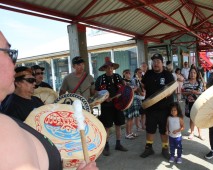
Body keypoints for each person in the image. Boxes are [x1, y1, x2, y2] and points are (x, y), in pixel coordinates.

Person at [0, 31, 98, 170]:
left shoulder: (36, 100)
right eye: (9, 53)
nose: (14, 64)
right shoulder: (7, 120)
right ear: (18, 83)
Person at [140, 53, 174, 158]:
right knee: (150, 129)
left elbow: (172, 88)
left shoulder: (167, 74)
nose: (155, 64)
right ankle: (149, 148)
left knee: (164, 130)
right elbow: (143, 86)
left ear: (162, 63)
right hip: (151, 108)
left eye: (158, 62)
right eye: (153, 62)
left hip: (165, 108)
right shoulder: (148, 73)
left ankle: (165, 149)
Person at [95, 57, 128, 156]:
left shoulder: (118, 76)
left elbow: (123, 88)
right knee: (106, 127)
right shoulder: (100, 79)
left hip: (118, 105)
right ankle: (106, 146)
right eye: (107, 67)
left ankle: (118, 144)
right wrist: (104, 98)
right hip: (105, 107)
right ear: (104, 68)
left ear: (113, 68)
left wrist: (124, 86)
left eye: (111, 67)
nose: (109, 69)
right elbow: (96, 92)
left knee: (118, 125)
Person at [182, 67, 204, 140]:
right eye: (191, 72)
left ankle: (200, 134)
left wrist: (197, 92)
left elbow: (203, 92)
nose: (192, 74)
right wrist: (189, 92)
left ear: (197, 74)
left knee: (199, 118)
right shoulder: (185, 82)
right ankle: (192, 132)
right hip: (189, 103)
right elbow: (182, 92)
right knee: (192, 118)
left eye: (194, 73)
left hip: (198, 103)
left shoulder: (200, 82)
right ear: (189, 74)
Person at [122, 69, 144, 139]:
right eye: (126, 73)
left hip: (133, 101)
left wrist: (137, 88)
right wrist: (134, 89)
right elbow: (126, 91)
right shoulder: (123, 81)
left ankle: (130, 132)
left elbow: (137, 89)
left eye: (129, 73)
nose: (128, 74)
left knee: (132, 118)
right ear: (124, 74)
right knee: (128, 119)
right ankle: (127, 133)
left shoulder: (132, 81)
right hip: (127, 102)